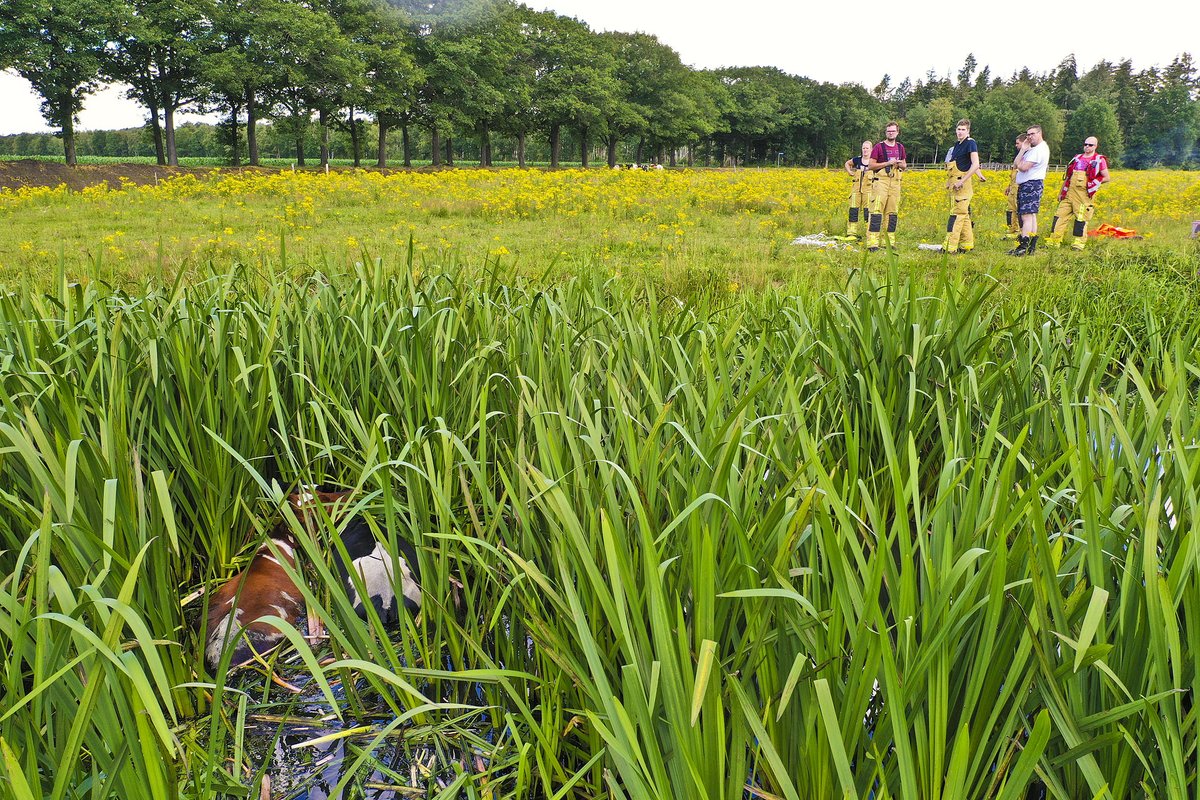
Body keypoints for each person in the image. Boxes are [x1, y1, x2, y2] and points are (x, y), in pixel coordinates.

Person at [1045, 137, 1110, 250]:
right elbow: (1068, 177)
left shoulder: (1099, 160)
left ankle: (1078, 244)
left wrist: (1091, 184)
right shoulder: (1076, 158)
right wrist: (1061, 192)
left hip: (1083, 196)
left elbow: (1106, 177)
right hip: (1069, 193)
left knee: (1081, 219)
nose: (1087, 147)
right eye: (1085, 144)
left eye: (1090, 145)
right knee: (1059, 216)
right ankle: (1054, 241)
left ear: (1095, 146)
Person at [943, 119, 985, 253]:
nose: (960, 132)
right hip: (954, 182)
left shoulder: (970, 143)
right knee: (964, 215)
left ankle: (949, 247)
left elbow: (975, 163)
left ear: (968, 131)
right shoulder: (956, 145)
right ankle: (967, 244)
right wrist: (949, 181)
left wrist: (963, 181)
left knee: (956, 215)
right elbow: (962, 163)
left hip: (962, 184)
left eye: (963, 130)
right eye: (959, 129)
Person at [1008, 124, 1050, 256]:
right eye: (1028, 134)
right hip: (1028, 184)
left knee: (1026, 216)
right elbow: (1016, 164)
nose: (1030, 137)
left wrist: (1020, 161)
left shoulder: (1040, 150)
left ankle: (1023, 245)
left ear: (1040, 133)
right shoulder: (1032, 149)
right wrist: (1023, 150)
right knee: (1031, 215)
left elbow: (1023, 167)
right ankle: (1030, 246)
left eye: (1032, 134)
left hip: (1031, 185)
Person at [866, 122, 906, 251]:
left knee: (892, 213)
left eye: (893, 131)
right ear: (886, 132)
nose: (891, 133)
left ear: (897, 132)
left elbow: (905, 165)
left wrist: (899, 164)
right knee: (876, 212)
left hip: (895, 182)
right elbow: (871, 166)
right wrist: (887, 163)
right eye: (888, 131)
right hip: (880, 182)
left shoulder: (900, 148)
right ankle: (872, 243)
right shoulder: (878, 147)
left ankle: (888, 242)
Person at [843, 140, 873, 239]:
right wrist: (849, 172)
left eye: (867, 148)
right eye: (863, 148)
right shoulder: (857, 160)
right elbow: (847, 163)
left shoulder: (874, 161)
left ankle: (869, 233)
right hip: (856, 189)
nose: (865, 150)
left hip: (868, 190)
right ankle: (851, 233)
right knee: (853, 210)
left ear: (871, 149)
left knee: (868, 212)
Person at [1003, 133, 1028, 239]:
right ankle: (1012, 229)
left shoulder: (1028, 156)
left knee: (1019, 210)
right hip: (1013, 188)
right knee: (1011, 209)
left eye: (1018, 143)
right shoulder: (1019, 156)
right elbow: (1013, 173)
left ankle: (1021, 231)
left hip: (1019, 188)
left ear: (1024, 143)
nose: (1016, 145)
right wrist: (1009, 186)